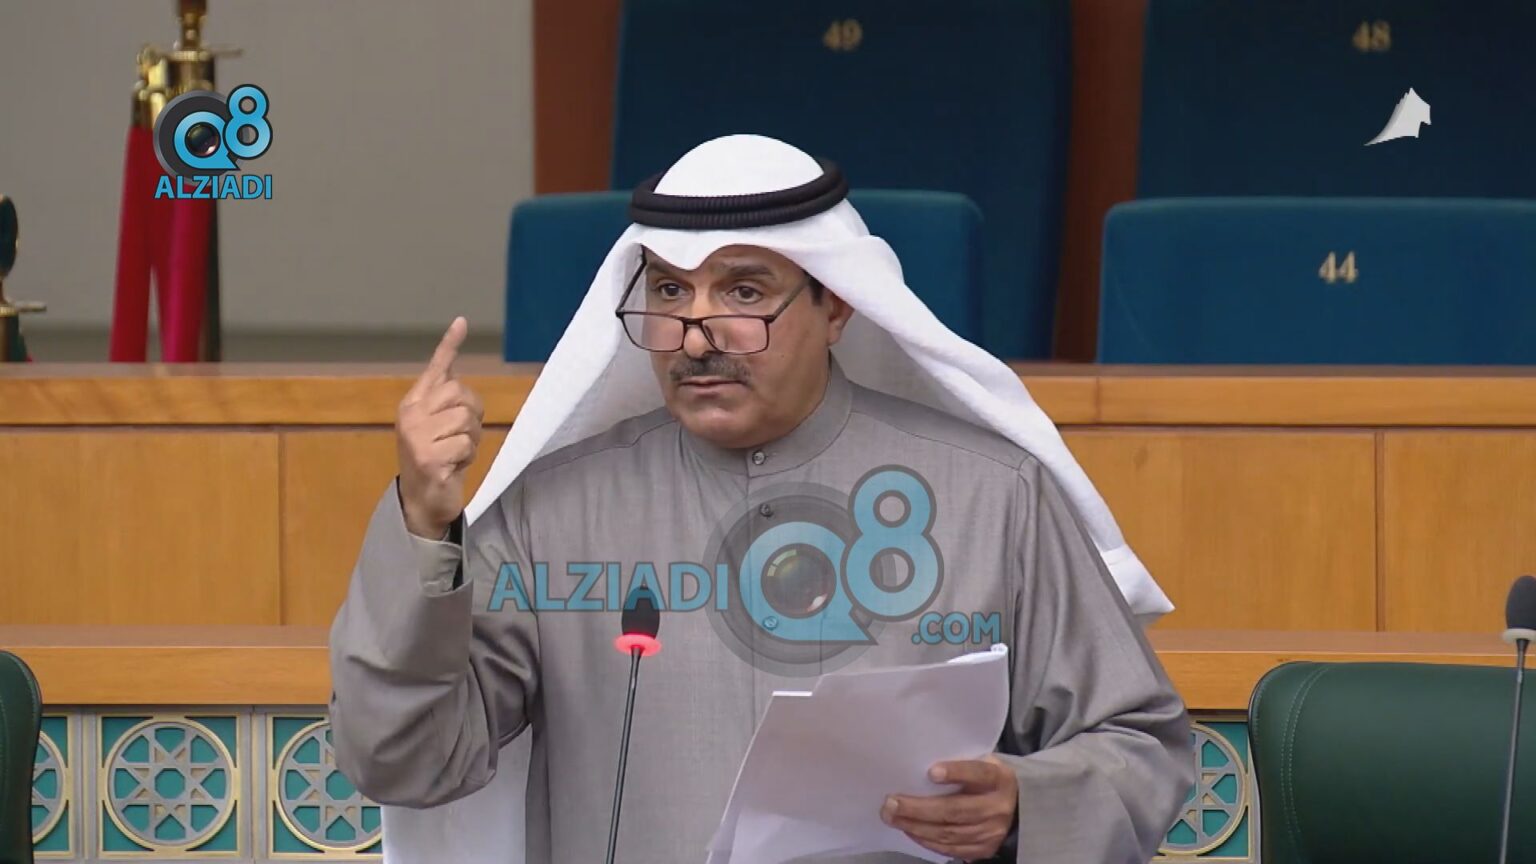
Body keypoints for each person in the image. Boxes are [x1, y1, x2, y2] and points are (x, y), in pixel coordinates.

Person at [328, 135, 1191, 864]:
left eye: (743, 292)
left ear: (837, 306)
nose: (696, 335)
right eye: (670, 292)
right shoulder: (551, 516)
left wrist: (1023, 803)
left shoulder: (991, 498)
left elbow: (1142, 747)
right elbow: (405, 759)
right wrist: (425, 528)